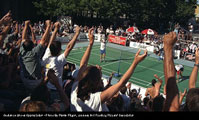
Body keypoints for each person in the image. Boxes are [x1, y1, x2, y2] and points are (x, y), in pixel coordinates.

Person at [70, 27, 148, 111]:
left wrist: (91, 44)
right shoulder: (95, 99)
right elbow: (121, 83)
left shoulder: (74, 90)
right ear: (96, 83)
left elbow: (83, 65)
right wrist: (135, 62)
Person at [42, 22, 80, 100]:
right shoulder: (58, 61)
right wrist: (77, 34)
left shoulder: (45, 57)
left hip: (46, 88)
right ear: (59, 50)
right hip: (56, 90)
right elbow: (69, 47)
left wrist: (55, 29)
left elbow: (50, 43)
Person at [19, 20, 51, 92]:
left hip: (25, 79)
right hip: (35, 82)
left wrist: (26, 25)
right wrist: (48, 26)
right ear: (33, 46)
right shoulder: (34, 53)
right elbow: (43, 40)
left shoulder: (22, 51)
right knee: (45, 70)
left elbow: (23, 38)